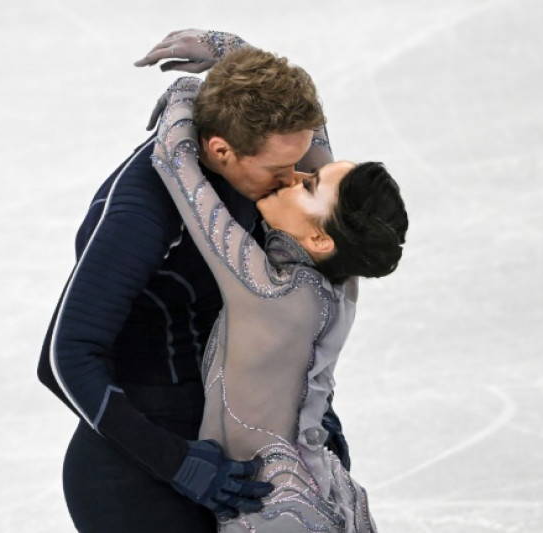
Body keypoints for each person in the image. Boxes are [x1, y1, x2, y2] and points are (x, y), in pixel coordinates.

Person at [37, 30, 349, 532]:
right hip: (137, 473)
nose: (296, 181)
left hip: (227, 433)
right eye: (278, 169)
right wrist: (178, 463)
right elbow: (63, 358)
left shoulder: (252, 154)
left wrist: (233, 52)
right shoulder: (143, 211)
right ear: (222, 150)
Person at [150, 74, 407, 531]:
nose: (296, 172)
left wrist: (190, 94)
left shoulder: (269, 289)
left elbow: (174, 162)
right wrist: (239, 61)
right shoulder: (342, 271)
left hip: (273, 513)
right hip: (319, 490)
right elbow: (312, 130)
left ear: (318, 237)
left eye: (309, 186)